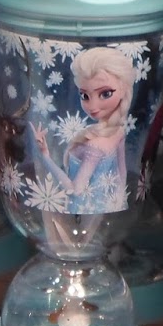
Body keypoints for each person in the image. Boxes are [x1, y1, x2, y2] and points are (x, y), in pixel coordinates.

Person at [33, 46, 137, 214]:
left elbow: (75, 190)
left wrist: (46, 157)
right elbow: (122, 174)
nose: (93, 106)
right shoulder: (116, 132)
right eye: (85, 96)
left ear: (124, 89)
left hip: (81, 211)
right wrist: (119, 204)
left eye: (105, 94)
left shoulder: (95, 146)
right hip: (104, 209)